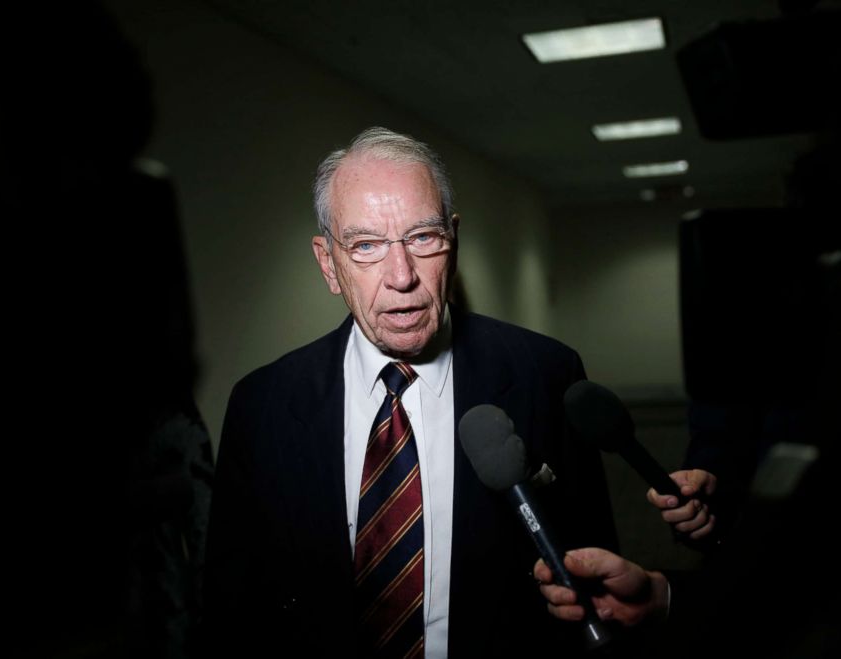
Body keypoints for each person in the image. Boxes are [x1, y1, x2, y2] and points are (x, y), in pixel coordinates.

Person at [202, 127, 618, 658]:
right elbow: (230, 607)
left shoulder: (547, 373)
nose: (401, 276)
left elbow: (596, 578)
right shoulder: (261, 405)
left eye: (422, 237)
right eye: (367, 245)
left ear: (454, 240)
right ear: (329, 263)